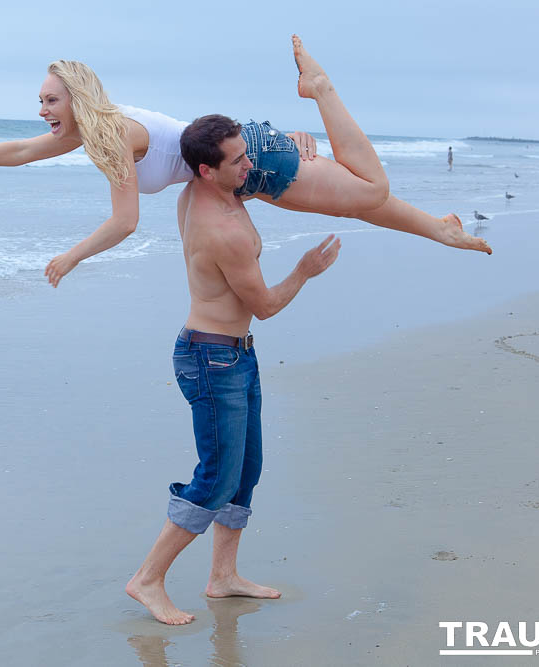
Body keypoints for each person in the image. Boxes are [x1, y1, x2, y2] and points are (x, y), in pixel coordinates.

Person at [0, 36, 490, 288]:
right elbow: (22, 152)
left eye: (51, 100)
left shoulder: (114, 137)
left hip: (247, 162)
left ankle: (321, 89)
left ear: (76, 98)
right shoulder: (95, 130)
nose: (43, 111)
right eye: (42, 101)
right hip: (237, 162)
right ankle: (442, 230)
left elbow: (125, 222)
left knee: (369, 189)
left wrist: (71, 255)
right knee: (365, 205)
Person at [125, 114, 340, 625]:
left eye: (247, 153)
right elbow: (264, 304)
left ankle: (223, 578)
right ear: (205, 170)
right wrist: (305, 271)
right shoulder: (223, 231)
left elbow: (260, 156)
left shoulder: (218, 191)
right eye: (239, 160)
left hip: (234, 352)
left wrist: (292, 138)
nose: (249, 165)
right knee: (217, 478)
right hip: (211, 357)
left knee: (246, 471)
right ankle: (147, 579)